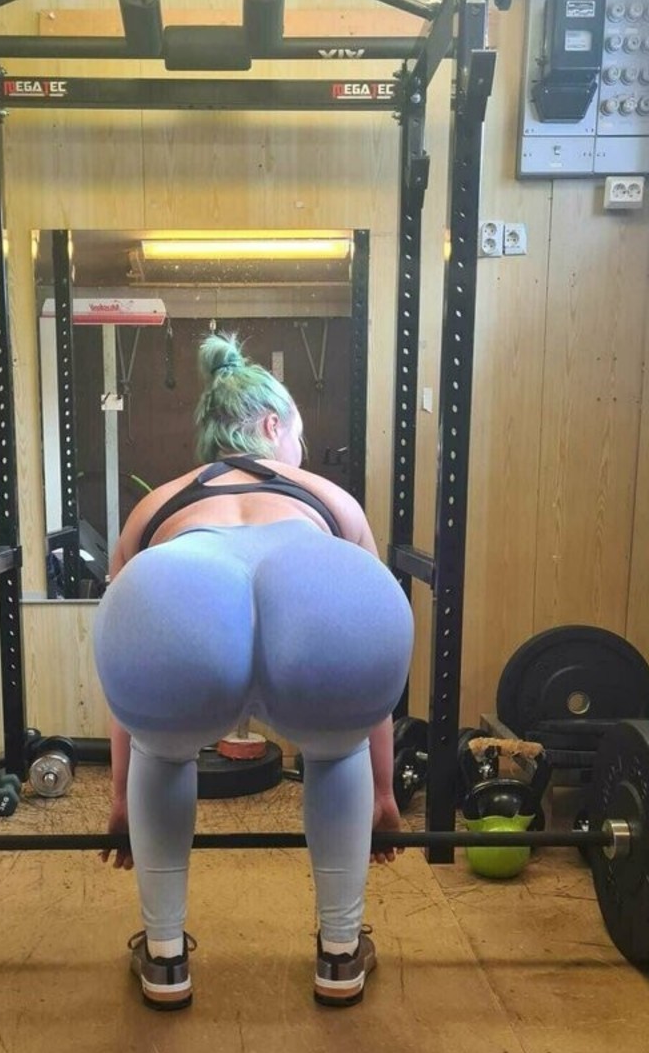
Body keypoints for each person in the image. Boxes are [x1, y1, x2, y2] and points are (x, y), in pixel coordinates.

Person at [94, 333, 415, 1011]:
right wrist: (383, 792)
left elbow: (128, 687)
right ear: (272, 426)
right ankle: (340, 951)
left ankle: (164, 957)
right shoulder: (332, 500)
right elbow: (371, 685)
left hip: (183, 588)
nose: (299, 448)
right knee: (337, 750)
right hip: (311, 584)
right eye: (297, 434)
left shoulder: (156, 506)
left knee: (163, 750)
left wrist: (121, 798)